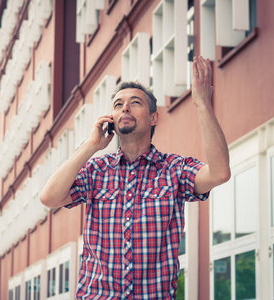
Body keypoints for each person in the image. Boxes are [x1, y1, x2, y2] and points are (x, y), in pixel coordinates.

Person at [40, 56, 230, 299]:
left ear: (153, 118)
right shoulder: (97, 169)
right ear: (112, 120)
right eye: (118, 105)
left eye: (135, 102)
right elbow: (49, 197)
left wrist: (202, 103)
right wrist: (90, 146)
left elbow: (220, 172)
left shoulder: (173, 169)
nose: (125, 108)